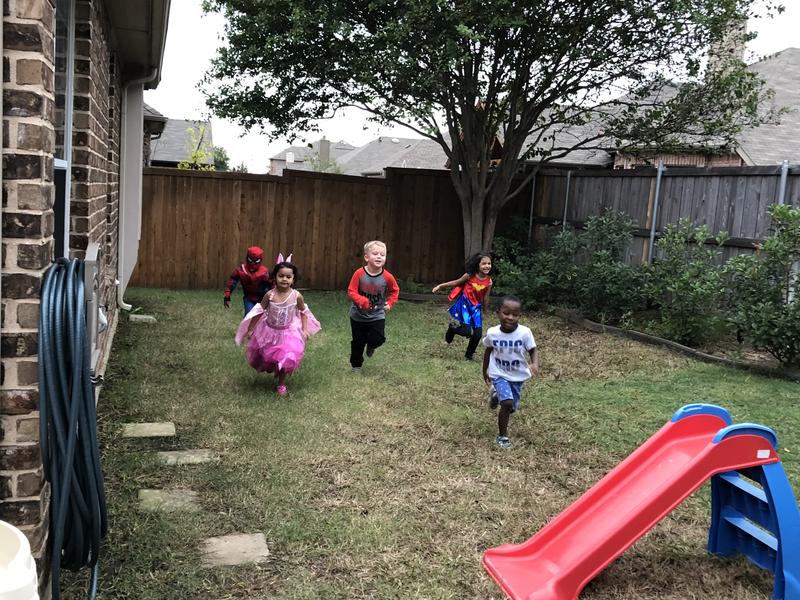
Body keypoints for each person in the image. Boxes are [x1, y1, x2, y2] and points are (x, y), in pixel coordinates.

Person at [235, 255, 320, 396]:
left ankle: (281, 384)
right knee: (267, 357)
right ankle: (273, 369)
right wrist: (251, 329)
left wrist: (304, 329)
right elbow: (259, 311)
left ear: (293, 279)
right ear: (274, 277)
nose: (284, 279)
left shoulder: (296, 296)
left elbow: (303, 311)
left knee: (286, 357)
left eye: (288, 277)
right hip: (270, 330)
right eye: (281, 276)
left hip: (288, 332)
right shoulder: (269, 295)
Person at [482, 296, 539, 449]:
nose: (510, 317)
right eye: (506, 313)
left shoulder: (525, 333)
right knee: (507, 404)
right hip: (498, 373)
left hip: (517, 375)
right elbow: (488, 351)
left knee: (511, 407)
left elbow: (533, 349)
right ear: (498, 313)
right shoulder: (493, 333)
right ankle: (502, 436)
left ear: (519, 316)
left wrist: (534, 363)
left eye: (515, 315)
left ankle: (496, 395)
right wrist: (485, 370)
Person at [347, 240, 400, 372]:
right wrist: (362, 300)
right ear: (366, 257)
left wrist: (390, 303)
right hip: (357, 315)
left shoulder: (387, 277)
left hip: (377, 314)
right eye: (375, 253)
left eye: (382, 254)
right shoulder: (359, 274)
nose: (379, 256)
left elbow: (395, 291)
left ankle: (371, 345)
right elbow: (351, 291)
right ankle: (356, 365)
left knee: (378, 338)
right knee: (358, 342)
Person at [432, 252, 493, 360]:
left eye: (489, 263)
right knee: (466, 332)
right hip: (464, 306)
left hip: (476, 309)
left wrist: (484, 311)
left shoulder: (489, 281)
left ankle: (469, 355)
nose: (487, 266)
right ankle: (452, 329)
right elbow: (456, 282)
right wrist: (440, 286)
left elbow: (486, 298)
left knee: (477, 335)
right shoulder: (469, 276)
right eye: (484, 263)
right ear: (477, 265)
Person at [224, 246, 273, 316]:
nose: (253, 264)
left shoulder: (265, 272)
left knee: (263, 317)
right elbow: (231, 282)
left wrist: (274, 299)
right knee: (249, 316)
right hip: (249, 298)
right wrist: (227, 296)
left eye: (256, 261)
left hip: (263, 299)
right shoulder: (241, 271)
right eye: (251, 261)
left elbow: (273, 285)